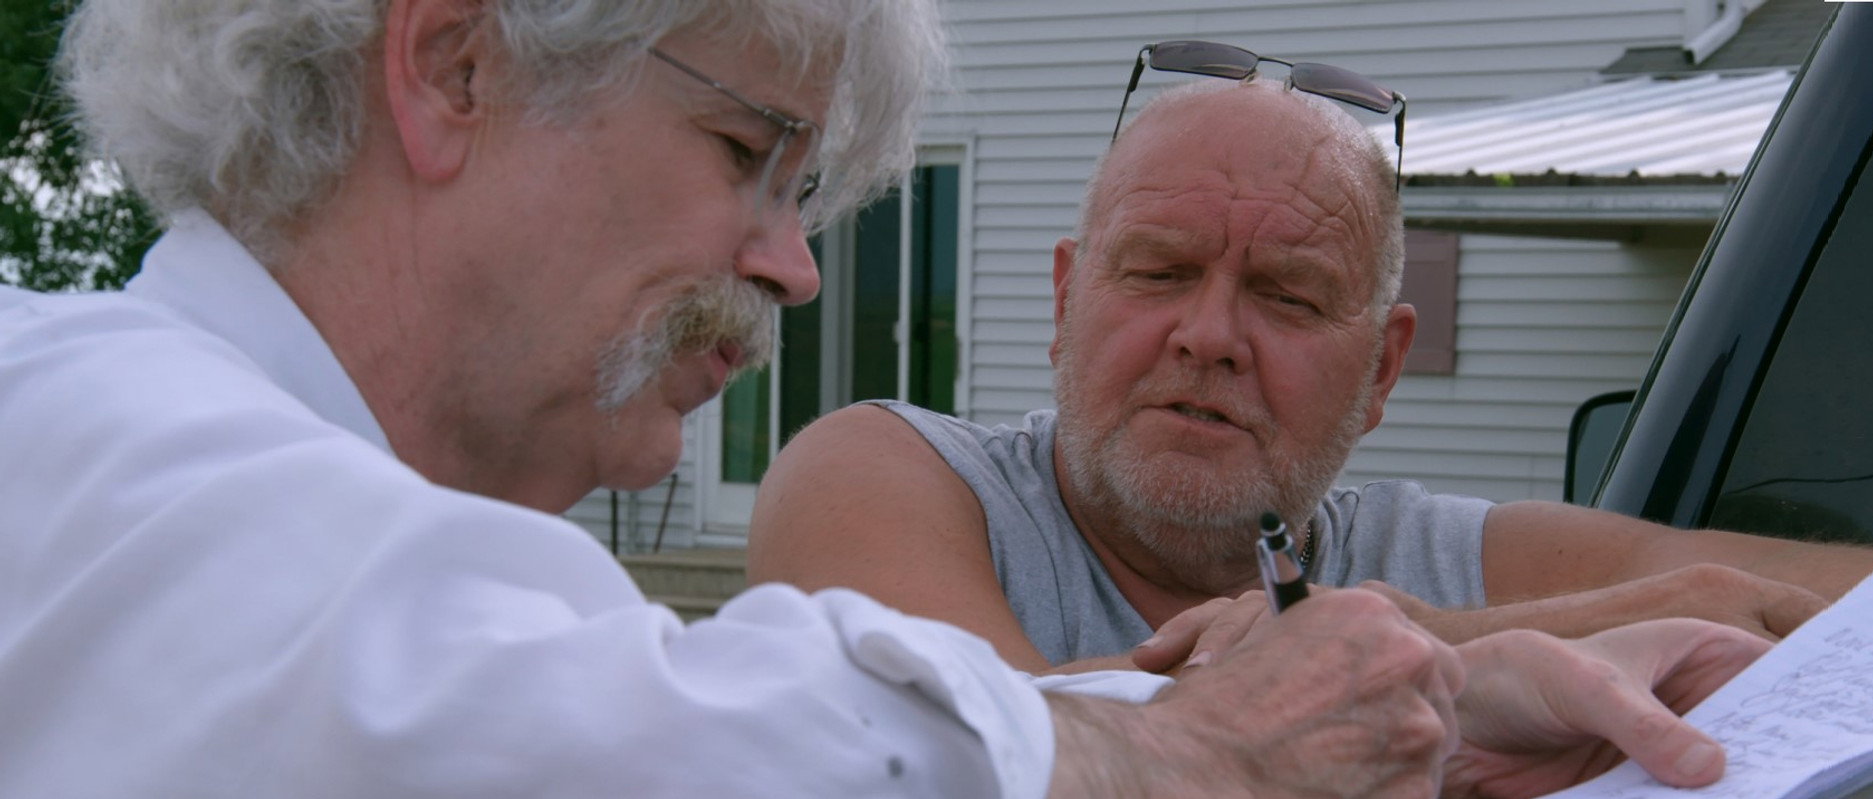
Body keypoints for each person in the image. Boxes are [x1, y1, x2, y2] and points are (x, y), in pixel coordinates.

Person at [0, 3, 1776, 795]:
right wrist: (1210, 750)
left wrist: (1422, 711)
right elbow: (649, 739)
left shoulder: (321, 551)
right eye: (748, 154)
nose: (796, 268)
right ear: (451, 63)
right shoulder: (74, 423)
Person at [747, 75, 1873, 677]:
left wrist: (1672, 605)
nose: (1209, 334)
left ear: (1383, 365)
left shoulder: (1447, 555)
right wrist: (1456, 645)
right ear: (1064, 301)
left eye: (1289, 295)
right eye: (1157, 272)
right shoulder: (880, 474)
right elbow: (1005, 745)